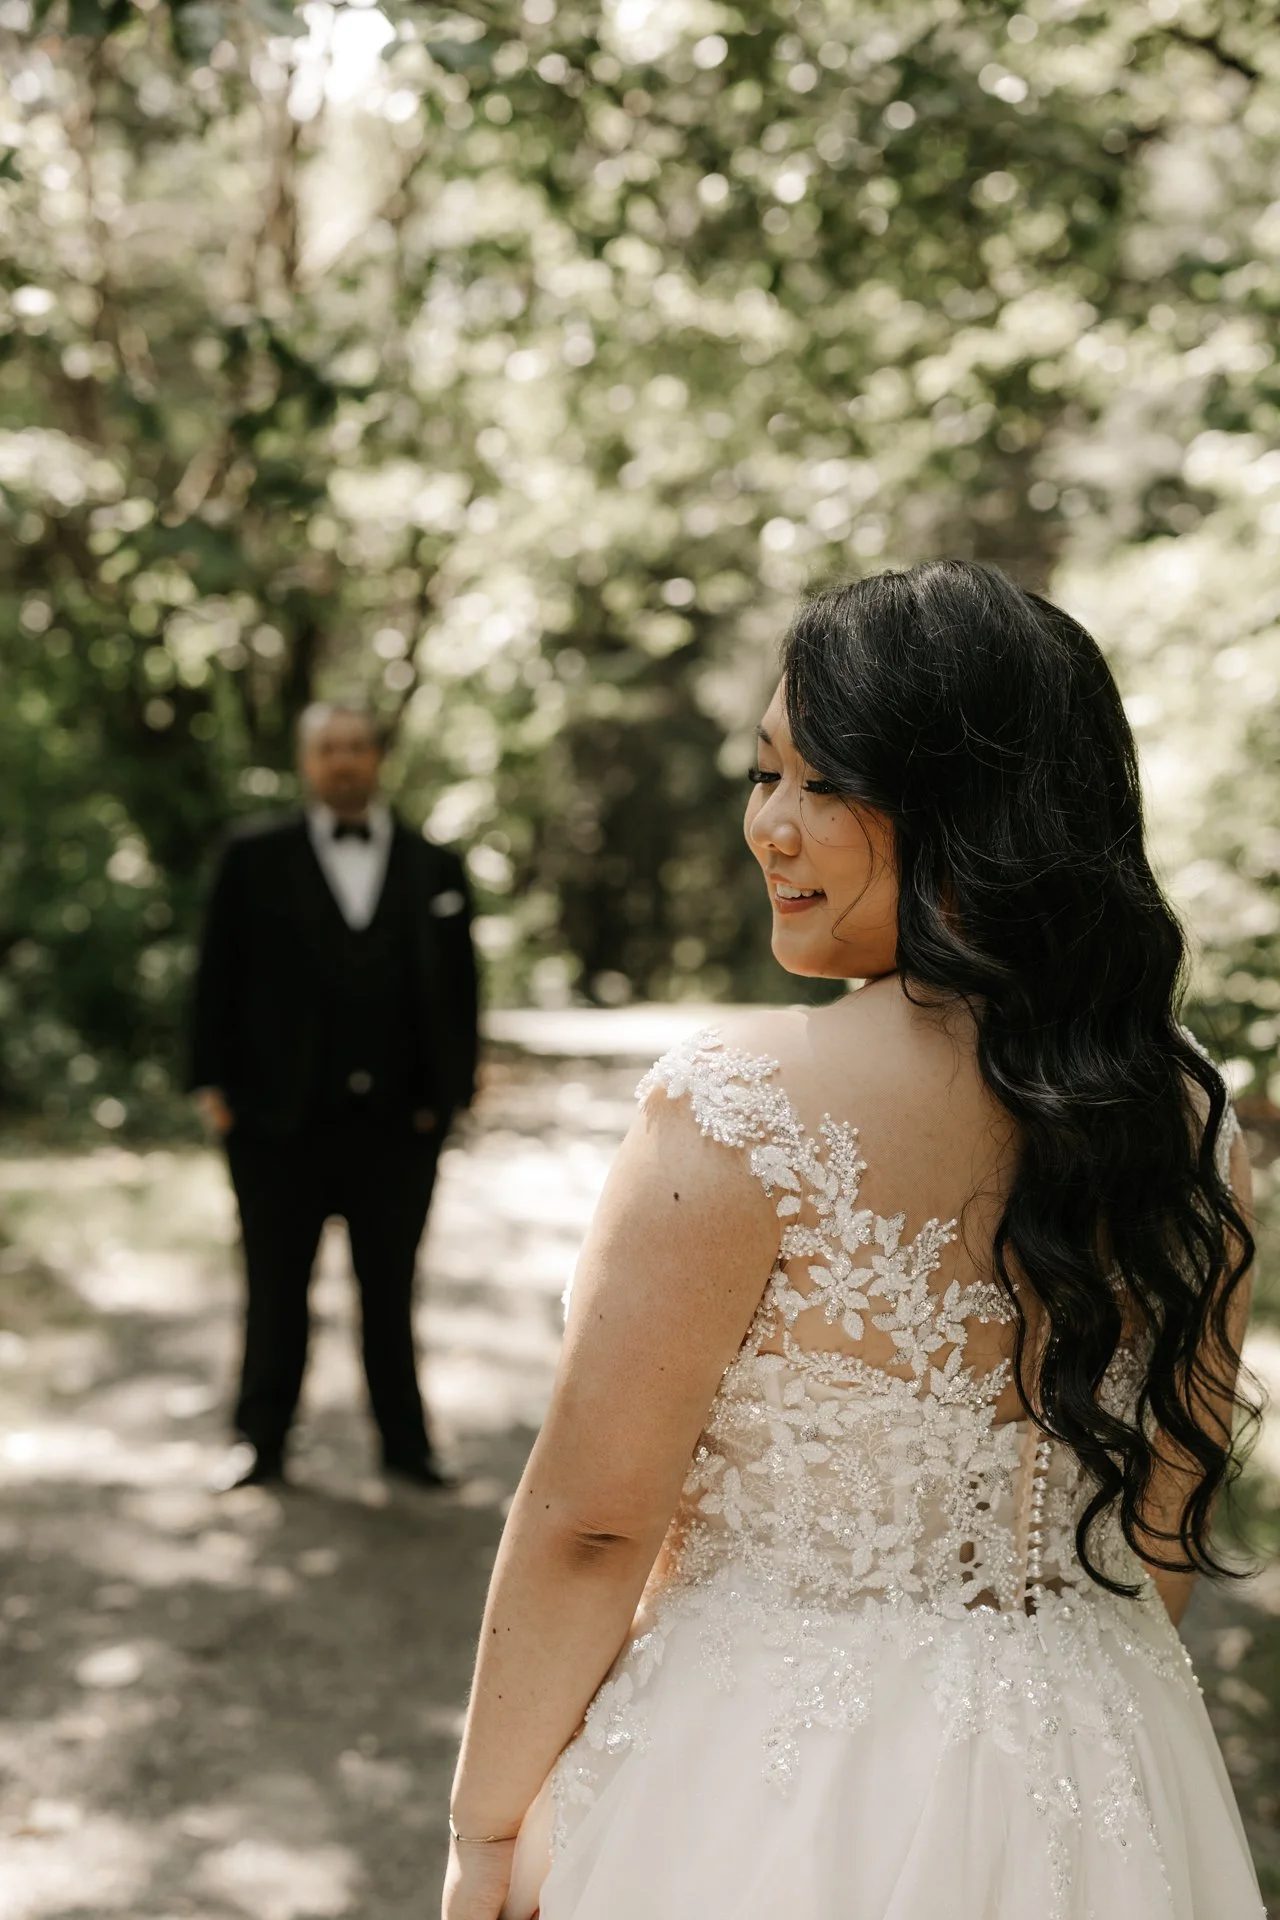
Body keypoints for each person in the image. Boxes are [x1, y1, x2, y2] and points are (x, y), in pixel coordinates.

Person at [443, 561, 1264, 1920]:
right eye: (765, 776)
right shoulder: (1188, 1120)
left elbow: (590, 1527)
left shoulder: (736, 1115)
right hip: (1109, 1766)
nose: (769, 825)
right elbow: (1165, 1526)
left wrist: (485, 1835)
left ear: (969, 811)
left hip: (767, 1786)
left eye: (824, 784)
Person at [189, 702, 479, 1491]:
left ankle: (406, 1446)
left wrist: (448, 1100)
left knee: (390, 1293)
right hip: (274, 1124)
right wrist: (212, 1088)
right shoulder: (252, 859)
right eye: (327, 750)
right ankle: (260, 1441)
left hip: (398, 1127)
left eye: (355, 747)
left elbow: (460, 993)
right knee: (274, 1289)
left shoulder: (435, 867)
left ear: (377, 757)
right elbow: (214, 976)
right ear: (305, 761)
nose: (343, 762)